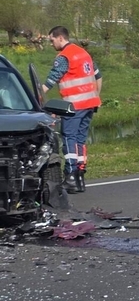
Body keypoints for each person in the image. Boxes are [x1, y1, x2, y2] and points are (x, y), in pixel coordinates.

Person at [41, 26, 101, 194]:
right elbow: (98, 75)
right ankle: (80, 176)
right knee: (80, 140)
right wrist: (96, 96)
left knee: (69, 138)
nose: (51, 44)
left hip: (75, 105)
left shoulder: (63, 57)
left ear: (60, 38)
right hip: (90, 104)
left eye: (52, 40)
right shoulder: (83, 53)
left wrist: (37, 96)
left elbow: (52, 79)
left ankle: (70, 177)